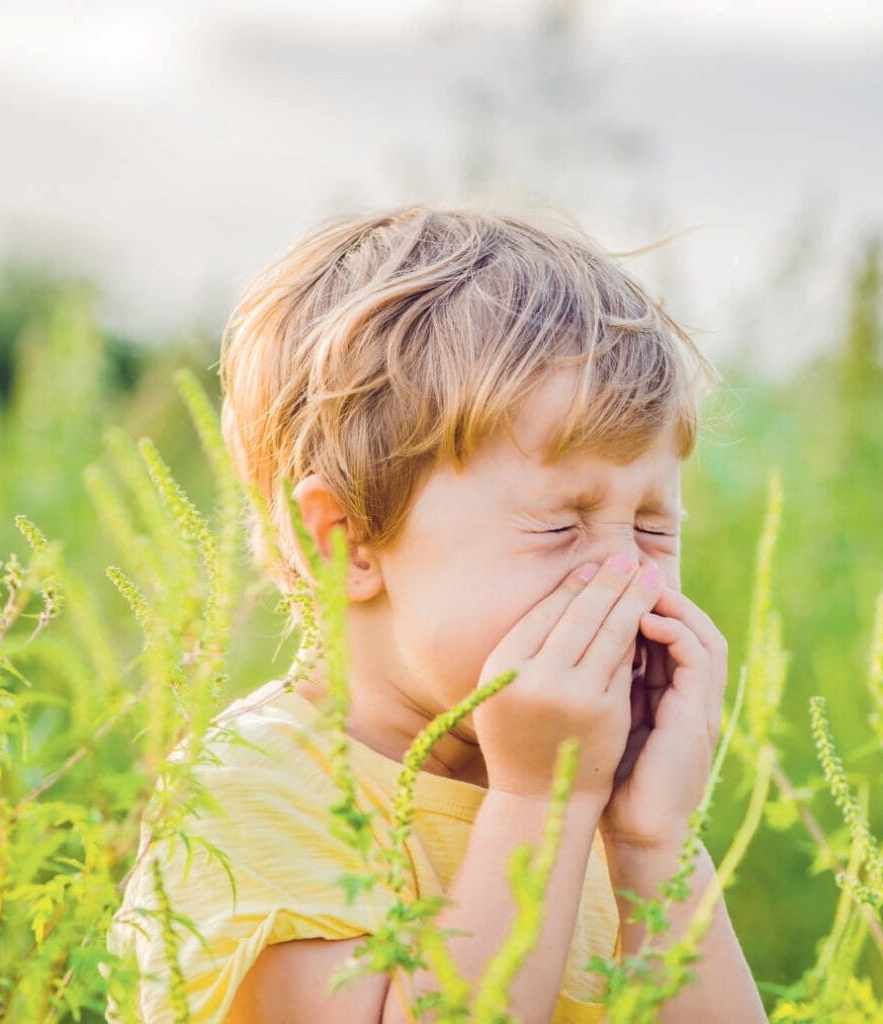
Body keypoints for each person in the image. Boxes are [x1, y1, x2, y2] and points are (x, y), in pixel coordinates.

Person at [105, 205, 767, 1023]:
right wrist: (541, 806)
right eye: (560, 526)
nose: (627, 578)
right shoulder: (254, 791)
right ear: (345, 543)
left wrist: (655, 846)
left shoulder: (600, 797)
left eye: (651, 527)